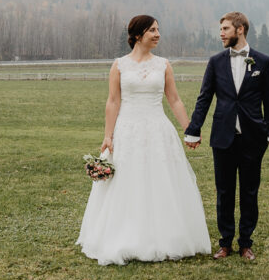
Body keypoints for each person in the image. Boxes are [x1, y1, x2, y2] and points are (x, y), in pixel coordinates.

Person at [77, 15, 211, 265]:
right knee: (128, 183)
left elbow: (174, 99)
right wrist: (108, 135)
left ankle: (166, 234)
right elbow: (113, 101)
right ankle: (126, 234)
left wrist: (189, 129)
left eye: (159, 29)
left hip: (158, 130)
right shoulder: (119, 65)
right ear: (138, 35)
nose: (158, 34)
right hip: (127, 131)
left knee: (161, 181)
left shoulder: (164, 65)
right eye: (152, 30)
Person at [185, 11, 269, 261]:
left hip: (253, 139)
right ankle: (225, 243)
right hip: (222, 137)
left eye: (225, 29)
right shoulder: (215, 62)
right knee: (224, 192)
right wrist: (194, 129)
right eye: (221, 29)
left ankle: (246, 243)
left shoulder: (263, 62)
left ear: (240, 29)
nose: (221, 34)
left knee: (249, 192)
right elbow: (204, 98)